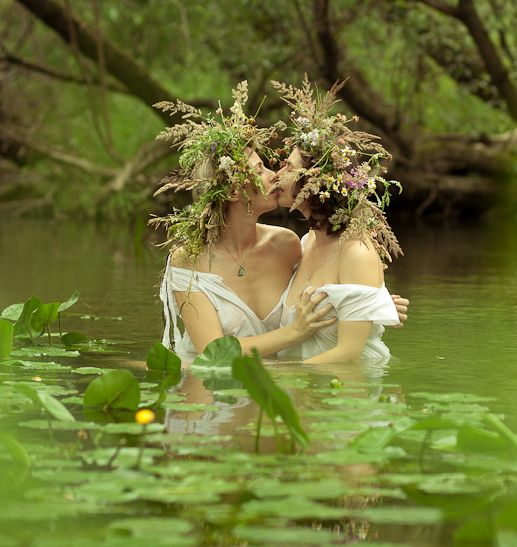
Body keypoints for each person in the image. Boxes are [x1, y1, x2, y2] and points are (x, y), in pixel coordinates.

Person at [152, 81, 407, 360]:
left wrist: (372, 303)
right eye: (260, 169)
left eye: (284, 166)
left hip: (290, 392)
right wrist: (296, 332)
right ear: (235, 191)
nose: (274, 174)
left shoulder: (286, 245)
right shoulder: (189, 259)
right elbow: (213, 354)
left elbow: (340, 277)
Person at [270, 77, 403, 364]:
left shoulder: (356, 252)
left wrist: (275, 375)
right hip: (302, 395)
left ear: (314, 182)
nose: (277, 175)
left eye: (289, 168)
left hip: (347, 397)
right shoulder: (307, 243)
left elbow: (348, 355)